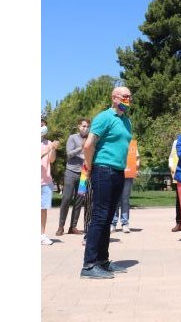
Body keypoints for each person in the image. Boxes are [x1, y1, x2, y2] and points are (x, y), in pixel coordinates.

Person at [80, 87, 133, 279]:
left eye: (130, 96)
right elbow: (88, 145)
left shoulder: (127, 121)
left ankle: (102, 261)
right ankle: (88, 265)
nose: (128, 99)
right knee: (100, 216)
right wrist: (89, 166)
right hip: (103, 169)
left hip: (119, 171)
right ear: (114, 98)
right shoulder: (104, 117)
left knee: (109, 216)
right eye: (124, 96)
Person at [56, 118, 90, 236]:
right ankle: (61, 226)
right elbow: (69, 154)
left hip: (84, 174)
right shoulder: (72, 138)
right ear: (78, 126)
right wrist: (81, 147)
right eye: (83, 126)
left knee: (79, 200)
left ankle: (73, 227)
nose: (85, 128)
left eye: (87, 126)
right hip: (71, 172)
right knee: (66, 199)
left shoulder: (90, 139)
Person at [111, 138, 139, 234]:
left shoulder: (131, 143)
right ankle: (113, 223)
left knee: (125, 200)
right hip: (115, 173)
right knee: (114, 199)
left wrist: (136, 168)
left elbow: (137, 158)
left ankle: (125, 223)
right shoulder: (114, 141)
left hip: (128, 174)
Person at [41, 118, 60, 245]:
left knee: (43, 209)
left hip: (46, 181)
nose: (43, 127)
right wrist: (48, 150)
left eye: (44, 125)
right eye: (41, 125)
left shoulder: (48, 143)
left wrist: (53, 149)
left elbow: (51, 160)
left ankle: (42, 235)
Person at [168, 122, 181, 232]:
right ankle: (179, 223)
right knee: (179, 199)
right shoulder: (176, 141)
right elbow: (171, 156)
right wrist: (171, 168)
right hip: (179, 173)